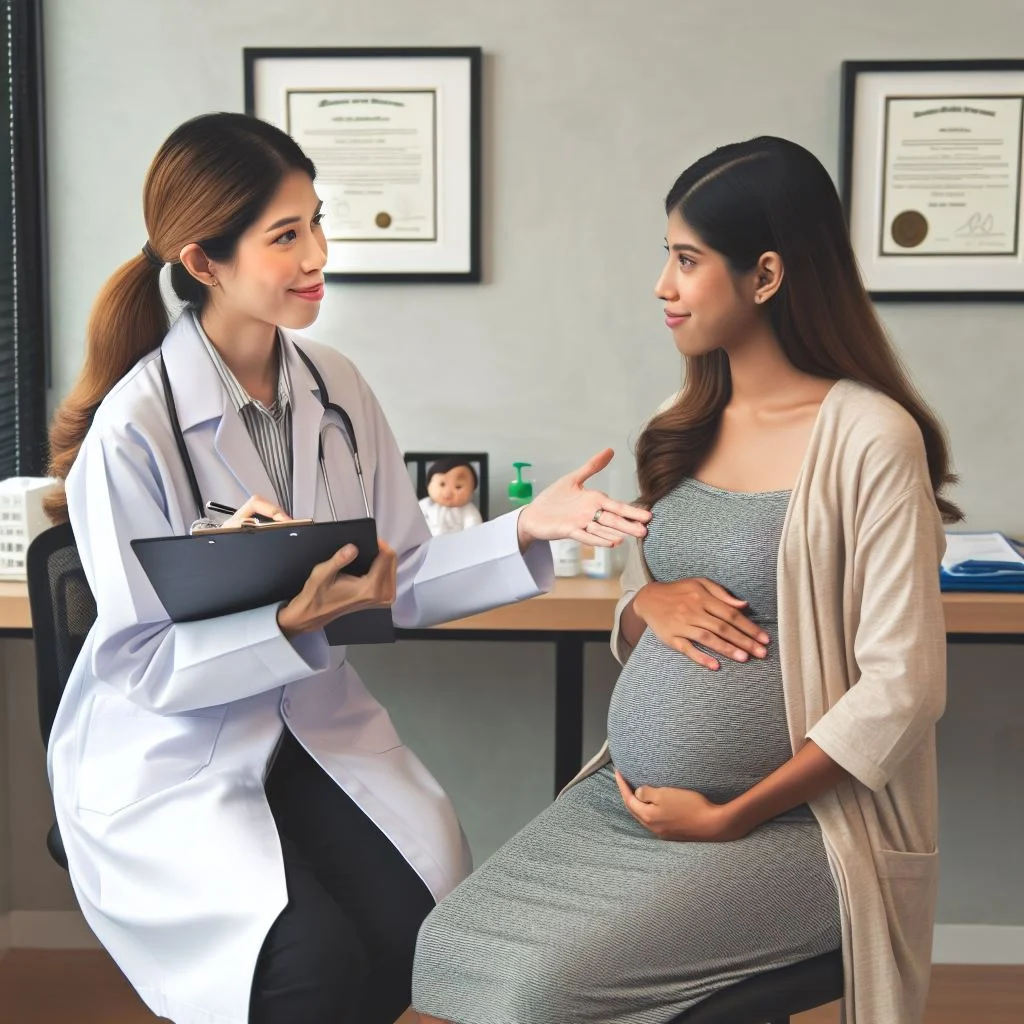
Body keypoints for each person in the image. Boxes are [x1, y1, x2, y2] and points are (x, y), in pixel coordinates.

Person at [42, 112, 651, 1024]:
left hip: (310, 727)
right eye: (286, 235)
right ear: (203, 262)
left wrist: (530, 527)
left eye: (316, 221)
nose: (319, 252)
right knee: (304, 969)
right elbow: (141, 667)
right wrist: (288, 623)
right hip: (172, 751)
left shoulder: (335, 389)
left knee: (413, 929)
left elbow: (398, 576)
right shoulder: (133, 432)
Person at [413, 136, 959, 1024]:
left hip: (794, 831)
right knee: (449, 948)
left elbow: (906, 686)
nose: (662, 286)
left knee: (542, 991)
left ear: (767, 275)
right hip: (631, 807)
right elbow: (645, 614)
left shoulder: (869, 438)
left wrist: (735, 813)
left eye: (686, 260)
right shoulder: (684, 422)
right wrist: (644, 604)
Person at [418, 456, 484, 535]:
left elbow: (474, 528)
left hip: (456, 544)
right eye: (442, 485)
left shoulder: (468, 510)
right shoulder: (426, 504)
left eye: (458, 487)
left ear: (472, 490)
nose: (448, 492)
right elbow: (412, 521)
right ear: (429, 486)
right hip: (426, 543)